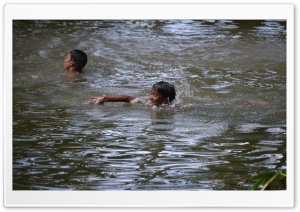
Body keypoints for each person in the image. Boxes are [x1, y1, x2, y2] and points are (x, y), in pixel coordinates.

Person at [85, 81, 176, 107]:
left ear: (165, 99)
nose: (151, 97)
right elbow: (127, 98)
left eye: (155, 95)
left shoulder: (171, 109)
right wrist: (104, 99)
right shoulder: (146, 102)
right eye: (151, 93)